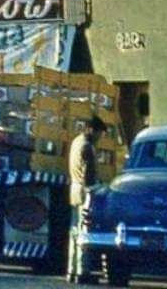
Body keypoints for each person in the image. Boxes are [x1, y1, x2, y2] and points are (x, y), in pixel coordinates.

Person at [67, 115, 108, 284]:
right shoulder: (87, 147)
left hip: (74, 189)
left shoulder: (76, 142)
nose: (99, 138)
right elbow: (89, 176)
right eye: (99, 133)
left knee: (74, 231)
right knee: (85, 232)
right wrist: (98, 188)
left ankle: (72, 270)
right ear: (91, 129)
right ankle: (83, 271)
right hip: (85, 192)